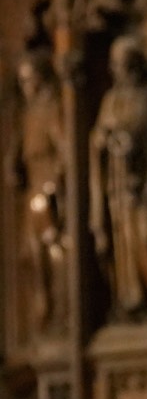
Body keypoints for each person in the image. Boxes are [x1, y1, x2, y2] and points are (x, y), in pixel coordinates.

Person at [89, 35, 147, 322]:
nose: (120, 71)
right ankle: (130, 303)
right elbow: (98, 138)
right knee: (123, 243)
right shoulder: (111, 100)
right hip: (119, 186)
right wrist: (106, 141)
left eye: (125, 64)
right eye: (116, 65)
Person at [7, 53, 68, 332]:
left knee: (51, 249)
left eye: (30, 80)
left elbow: (64, 150)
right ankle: (42, 311)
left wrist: (55, 183)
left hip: (47, 188)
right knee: (30, 254)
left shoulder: (52, 109)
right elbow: (19, 153)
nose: (26, 87)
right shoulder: (27, 114)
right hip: (32, 188)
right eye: (22, 82)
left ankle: (59, 310)